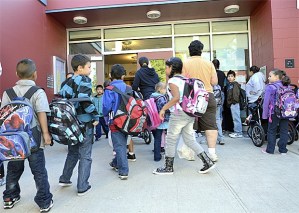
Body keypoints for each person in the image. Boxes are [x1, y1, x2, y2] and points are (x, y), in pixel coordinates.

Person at [1, 59, 53, 212]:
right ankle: (44, 201)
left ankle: (9, 197)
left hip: (12, 140)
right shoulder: (38, 92)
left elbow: (3, 116)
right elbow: (41, 114)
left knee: (13, 169)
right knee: (39, 171)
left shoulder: (7, 93)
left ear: (17, 74)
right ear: (35, 74)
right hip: (33, 139)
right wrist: (46, 134)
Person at [153, 57, 215, 175]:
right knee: (189, 139)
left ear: (172, 68)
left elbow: (176, 98)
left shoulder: (173, 81)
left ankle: (168, 167)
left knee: (170, 140)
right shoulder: (185, 79)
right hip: (189, 113)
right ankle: (207, 161)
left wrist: (163, 109)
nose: (165, 69)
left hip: (178, 114)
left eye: (167, 67)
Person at [59, 54, 99, 196]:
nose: (90, 70)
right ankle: (82, 185)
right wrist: (95, 114)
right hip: (84, 122)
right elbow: (85, 101)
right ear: (80, 68)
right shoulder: (85, 80)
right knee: (85, 154)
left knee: (72, 152)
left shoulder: (66, 82)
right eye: (89, 67)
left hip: (70, 122)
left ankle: (65, 178)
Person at [182, 40, 219, 162]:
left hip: (191, 96)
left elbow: (182, 81)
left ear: (190, 50)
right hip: (207, 95)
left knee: (189, 125)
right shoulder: (209, 64)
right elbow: (214, 82)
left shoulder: (185, 63)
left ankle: (190, 153)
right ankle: (212, 154)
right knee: (210, 125)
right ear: (201, 51)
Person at [103, 64, 130, 180]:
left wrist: (104, 116)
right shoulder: (129, 88)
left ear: (110, 75)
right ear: (123, 76)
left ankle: (123, 171)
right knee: (122, 144)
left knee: (119, 146)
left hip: (116, 121)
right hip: (129, 121)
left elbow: (106, 107)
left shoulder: (109, 89)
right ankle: (115, 163)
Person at [262, 69, 290, 154]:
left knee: (271, 130)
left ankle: (270, 150)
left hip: (274, 112)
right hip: (286, 112)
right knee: (284, 131)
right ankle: (283, 150)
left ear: (277, 77)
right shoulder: (286, 86)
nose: (268, 77)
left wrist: (264, 115)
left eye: (270, 76)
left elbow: (266, 102)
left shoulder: (270, 87)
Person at [150, 82, 169, 161]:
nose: (166, 91)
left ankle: (157, 157)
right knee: (169, 137)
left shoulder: (152, 96)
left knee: (157, 139)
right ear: (159, 89)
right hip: (163, 121)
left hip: (155, 120)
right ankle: (168, 154)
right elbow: (164, 108)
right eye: (164, 89)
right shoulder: (161, 98)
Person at [226, 70, 243, 138]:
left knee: (236, 118)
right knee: (235, 118)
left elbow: (236, 95)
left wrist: (232, 102)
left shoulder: (234, 84)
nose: (230, 77)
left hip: (234, 103)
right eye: (229, 76)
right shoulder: (230, 84)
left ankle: (238, 132)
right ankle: (237, 131)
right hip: (233, 103)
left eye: (232, 76)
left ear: (234, 77)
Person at [212, 59, 225, 145]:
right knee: (218, 118)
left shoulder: (210, 74)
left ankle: (210, 139)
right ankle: (221, 138)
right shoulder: (222, 73)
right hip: (220, 95)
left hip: (211, 96)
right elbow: (225, 84)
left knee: (209, 120)